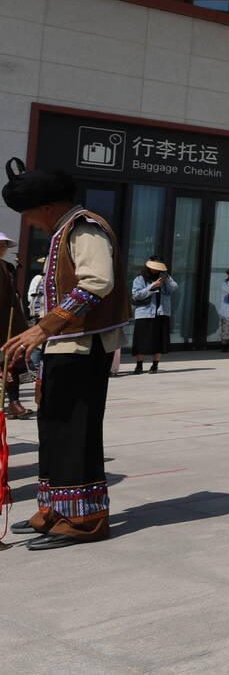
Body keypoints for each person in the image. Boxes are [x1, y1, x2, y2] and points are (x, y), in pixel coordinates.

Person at [1, 157, 131, 549]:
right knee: (54, 429)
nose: (27, 223)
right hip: (62, 347)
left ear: (47, 207)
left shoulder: (84, 227)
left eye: (27, 214)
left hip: (82, 348)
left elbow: (97, 283)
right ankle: (56, 510)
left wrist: (44, 327)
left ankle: (85, 520)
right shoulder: (62, 230)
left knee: (76, 433)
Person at [129, 257, 176, 374]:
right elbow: (137, 295)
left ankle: (155, 365)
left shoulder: (165, 279)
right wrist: (152, 286)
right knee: (141, 341)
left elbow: (174, 288)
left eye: (157, 269)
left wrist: (167, 279)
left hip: (162, 312)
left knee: (159, 341)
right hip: (144, 313)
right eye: (153, 269)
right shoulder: (140, 279)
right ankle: (139, 366)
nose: (155, 271)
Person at [1, 230, 30, 419]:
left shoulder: (8, 267)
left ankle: (13, 403)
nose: (2, 249)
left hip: (9, 319)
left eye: (4, 246)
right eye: (0, 245)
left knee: (12, 363)